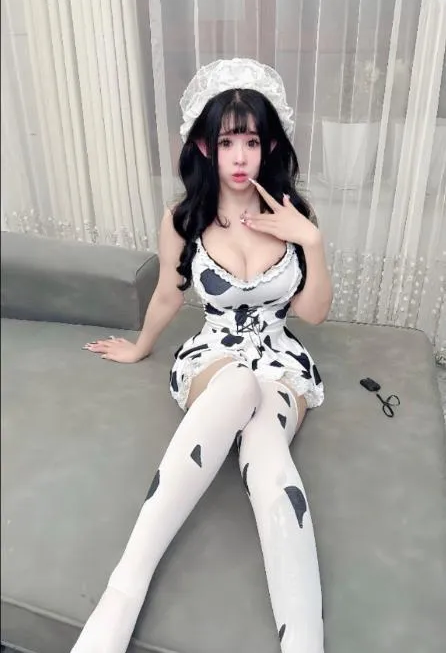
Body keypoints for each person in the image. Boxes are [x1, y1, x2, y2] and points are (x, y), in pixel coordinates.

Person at [72, 57, 333, 653]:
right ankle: (124, 590)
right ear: (203, 147)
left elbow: (314, 312)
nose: (240, 157)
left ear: (269, 146)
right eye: (226, 142)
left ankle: (303, 642)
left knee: (266, 449)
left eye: (251, 142)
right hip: (215, 355)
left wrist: (311, 243)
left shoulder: (294, 216)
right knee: (237, 385)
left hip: (280, 359)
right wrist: (141, 346)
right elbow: (169, 293)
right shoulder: (184, 218)